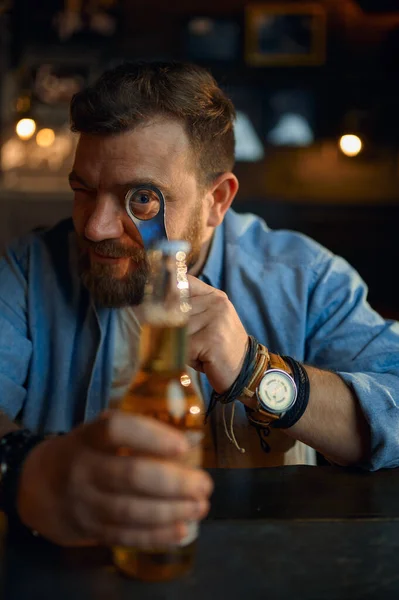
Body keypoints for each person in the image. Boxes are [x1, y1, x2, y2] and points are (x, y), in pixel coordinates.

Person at [0, 62, 398, 549]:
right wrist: (30, 467)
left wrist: (257, 372)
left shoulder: (305, 279)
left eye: (141, 198)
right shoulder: (26, 271)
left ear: (217, 200)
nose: (95, 228)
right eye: (84, 190)